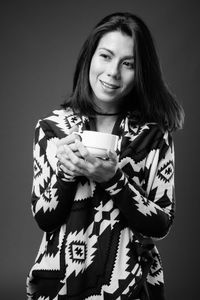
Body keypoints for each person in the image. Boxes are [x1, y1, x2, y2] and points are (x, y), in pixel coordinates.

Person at [26, 12, 184, 300]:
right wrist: (65, 172)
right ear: (90, 58)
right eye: (106, 56)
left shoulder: (154, 136)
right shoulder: (52, 129)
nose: (113, 72)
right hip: (59, 285)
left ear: (141, 73)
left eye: (128, 64)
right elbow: (44, 218)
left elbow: (162, 223)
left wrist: (114, 179)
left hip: (132, 287)